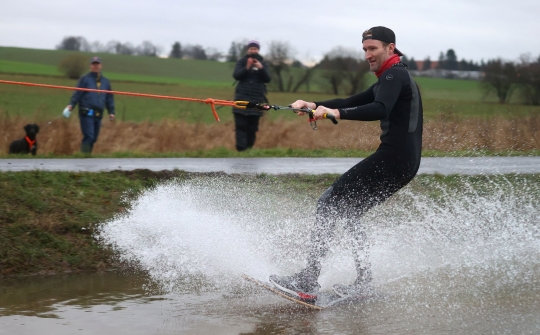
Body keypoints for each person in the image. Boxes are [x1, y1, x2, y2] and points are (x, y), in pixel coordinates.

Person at [269, 26, 423, 301]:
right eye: (364, 49)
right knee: (350, 211)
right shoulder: (392, 76)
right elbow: (353, 100)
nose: (368, 54)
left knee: (328, 203)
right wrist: (312, 104)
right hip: (405, 163)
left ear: (390, 48)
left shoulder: (394, 74)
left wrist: (334, 113)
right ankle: (364, 282)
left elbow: (380, 109)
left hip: (393, 158)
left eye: (373, 48)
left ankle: (308, 279)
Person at [66, 56, 115, 154]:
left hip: (98, 113)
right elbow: (77, 94)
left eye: (97, 64)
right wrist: (71, 105)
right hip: (86, 112)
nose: (96, 66)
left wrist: (111, 112)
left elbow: (109, 98)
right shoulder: (84, 79)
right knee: (89, 136)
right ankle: (83, 158)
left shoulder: (105, 81)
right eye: (94, 64)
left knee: (94, 138)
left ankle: (87, 157)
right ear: (90, 66)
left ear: (101, 66)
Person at [232, 40, 271, 151]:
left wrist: (260, 68)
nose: (253, 50)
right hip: (241, 98)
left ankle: (249, 148)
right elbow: (236, 76)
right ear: (247, 50)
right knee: (240, 125)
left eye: (255, 49)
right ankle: (240, 149)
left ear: (258, 50)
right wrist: (247, 67)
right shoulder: (241, 61)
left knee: (252, 127)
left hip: (256, 99)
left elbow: (267, 79)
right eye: (251, 49)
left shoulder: (263, 63)